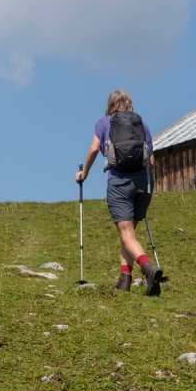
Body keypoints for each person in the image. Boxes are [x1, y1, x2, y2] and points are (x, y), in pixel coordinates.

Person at [75, 89, 164, 296]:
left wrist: (84, 173)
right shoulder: (141, 124)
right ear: (129, 104)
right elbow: (151, 160)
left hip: (119, 182)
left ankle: (148, 268)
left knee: (126, 234)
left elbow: (95, 148)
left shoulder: (104, 123)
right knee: (128, 235)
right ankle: (124, 280)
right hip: (143, 183)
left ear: (110, 105)